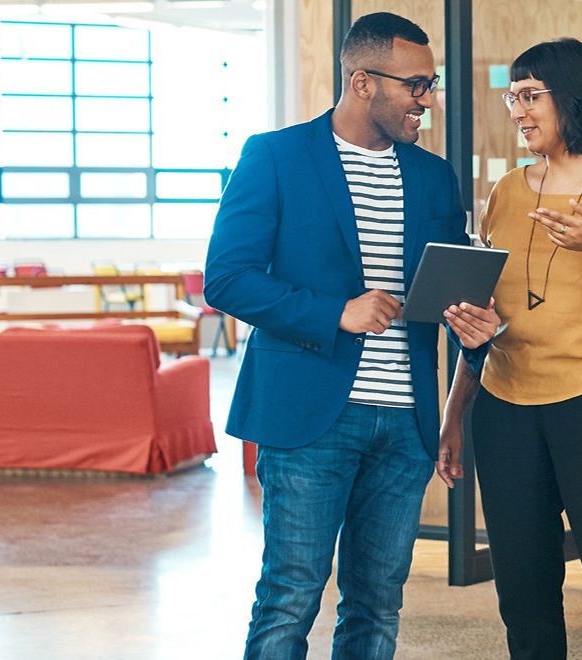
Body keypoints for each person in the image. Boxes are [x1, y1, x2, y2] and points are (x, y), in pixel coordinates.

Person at [204, 12, 499, 660]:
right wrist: (333, 311)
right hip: (310, 418)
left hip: (404, 425)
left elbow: (443, 293)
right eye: (416, 85)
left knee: (376, 603)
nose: (427, 99)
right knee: (291, 595)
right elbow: (225, 279)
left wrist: (474, 326)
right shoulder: (275, 156)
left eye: (431, 84)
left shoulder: (432, 176)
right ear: (362, 80)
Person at [437, 38, 582, 659]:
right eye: (511, 96)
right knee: (522, 589)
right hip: (505, 405)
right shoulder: (507, 192)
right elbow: (489, 325)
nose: (517, 110)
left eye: (530, 96)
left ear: (573, 97)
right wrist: (455, 414)